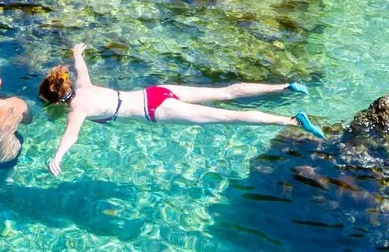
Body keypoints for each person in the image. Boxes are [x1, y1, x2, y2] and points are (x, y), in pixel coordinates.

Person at [38, 43, 322, 177]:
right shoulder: (84, 87)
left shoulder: (77, 107)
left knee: (230, 117)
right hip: (157, 91)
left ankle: (293, 120)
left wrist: (57, 156)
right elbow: (81, 68)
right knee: (227, 92)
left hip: (158, 110)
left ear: (56, 101)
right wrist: (77, 53)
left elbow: (71, 135)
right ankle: (286, 86)